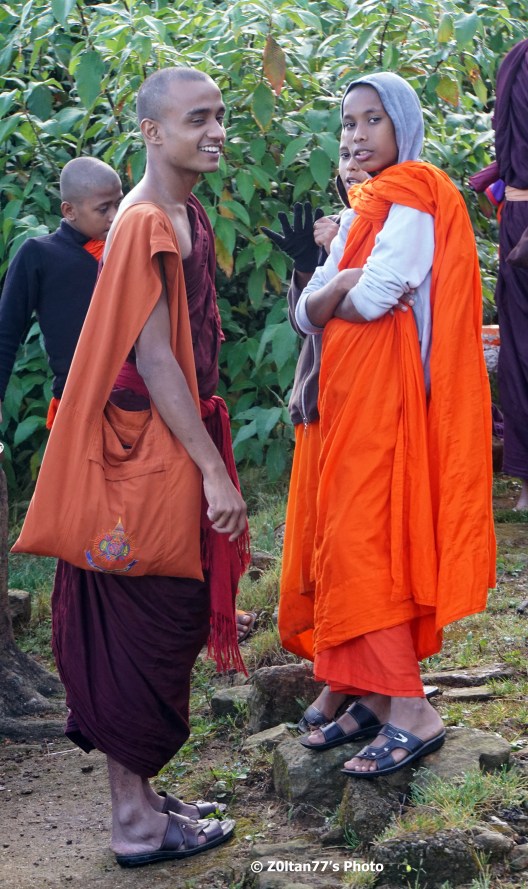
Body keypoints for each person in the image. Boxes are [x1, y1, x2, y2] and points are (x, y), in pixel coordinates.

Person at [15, 67, 248, 863]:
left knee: (163, 613)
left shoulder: (184, 212)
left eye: (220, 116)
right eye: (197, 119)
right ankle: (133, 820)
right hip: (138, 449)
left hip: (169, 435)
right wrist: (212, 470)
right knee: (145, 613)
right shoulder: (144, 221)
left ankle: (143, 798)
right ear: (152, 131)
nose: (216, 132)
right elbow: (154, 358)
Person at [288, 71, 495, 777]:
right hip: (352, 401)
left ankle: (413, 709)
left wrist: (337, 289)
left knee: (368, 542)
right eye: (348, 122)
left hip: (393, 407)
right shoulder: (365, 208)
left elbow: (374, 298)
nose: (356, 134)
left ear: (402, 125)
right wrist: (338, 284)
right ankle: (374, 694)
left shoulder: (412, 197)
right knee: (350, 539)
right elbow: (307, 311)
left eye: (372, 119)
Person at [264, 143, 369, 731]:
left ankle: (362, 680)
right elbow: (304, 321)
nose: (352, 161)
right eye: (344, 151)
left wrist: (339, 254)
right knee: (316, 553)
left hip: (367, 410)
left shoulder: (396, 228)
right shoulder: (336, 230)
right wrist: (310, 264)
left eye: (365, 145)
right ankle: (336, 673)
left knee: (354, 552)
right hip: (319, 409)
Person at [0, 157, 123, 427]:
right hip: (77, 404)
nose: (114, 216)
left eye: (119, 204)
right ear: (69, 211)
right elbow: (6, 329)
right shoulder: (39, 254)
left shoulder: (125, 248)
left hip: (132, 399)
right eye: (103, 208)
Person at [471, 39, 528, 510]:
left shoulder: (518, 58)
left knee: (522, 347)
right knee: (521, 346)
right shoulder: (520, 60)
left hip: (518, 218)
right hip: (518, 217)